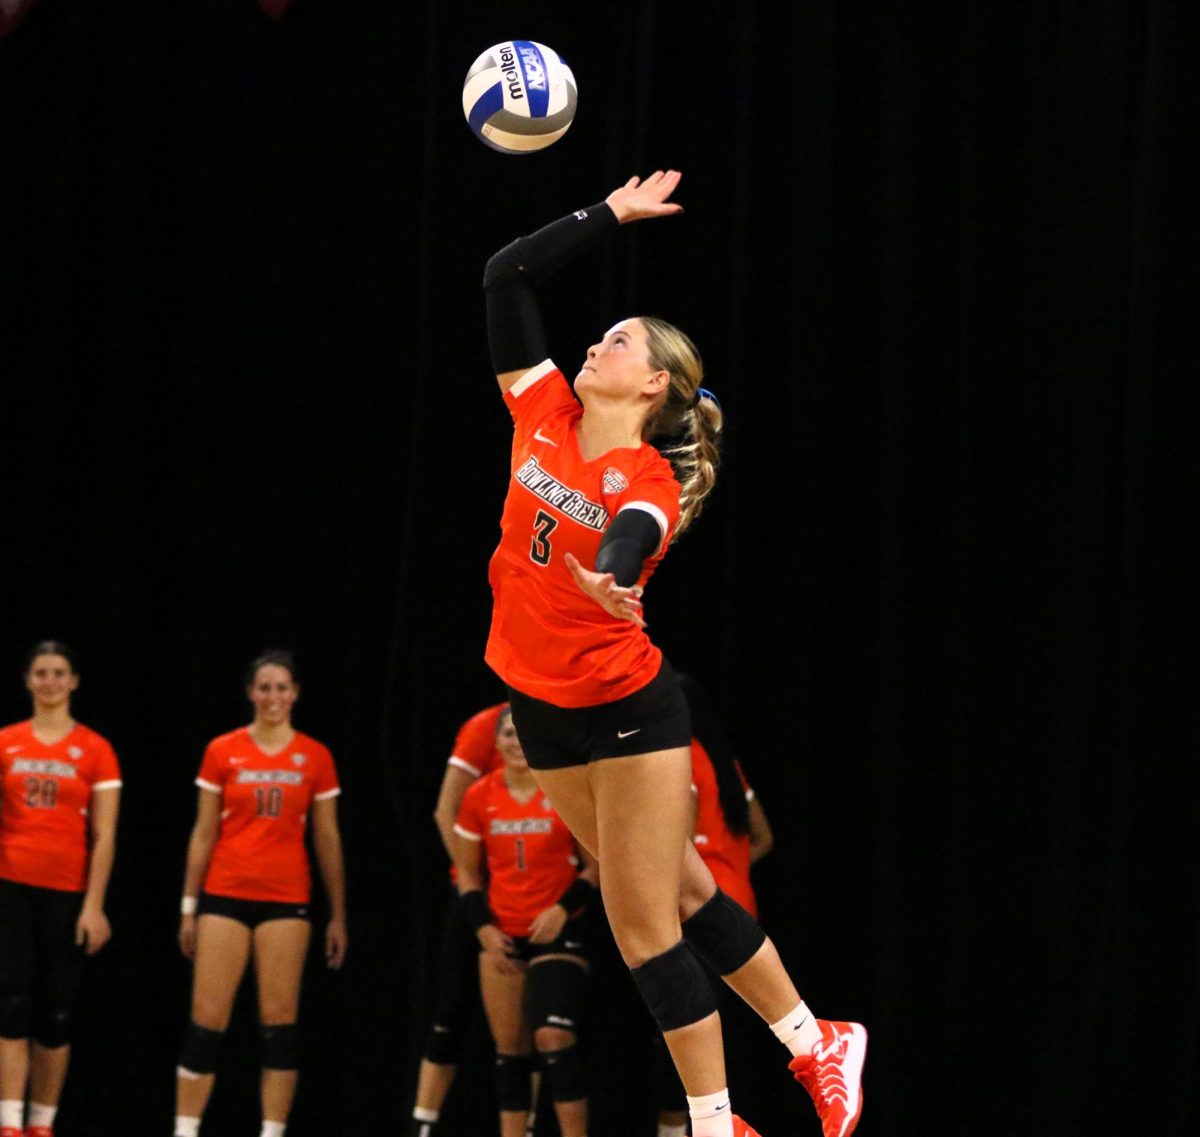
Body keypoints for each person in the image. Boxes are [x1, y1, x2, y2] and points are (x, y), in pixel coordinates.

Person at [481, 170, 867, 1137]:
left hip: (624, 704)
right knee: (686, 891)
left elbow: (635, 530)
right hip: (537, 700)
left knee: (641, 921)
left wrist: (616, 571)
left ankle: (713, 1120)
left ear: (653, 382)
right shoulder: (541, 413)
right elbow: (504, 277)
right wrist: (607, 215)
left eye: (616, 341)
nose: (592, 343)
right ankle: (818, 1040)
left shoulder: (645, 471)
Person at [173, 651, 347, 1137]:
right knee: (206, 1022)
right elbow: (203, 833)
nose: (273, 697)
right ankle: (185, 1129)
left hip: (286, 898)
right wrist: (189, 908)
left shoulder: (315, 756)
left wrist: (338, 915)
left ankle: (272, 1131)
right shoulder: (222, 750)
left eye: (282, 688)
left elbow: (327, 839)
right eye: (264, 687)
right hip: (225, 892)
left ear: (295, 694)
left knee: (279, 1026)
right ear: (250, 693)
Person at [452, 709, 598, 1137]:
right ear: (496, 742)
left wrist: (560, 910)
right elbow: (467, 875)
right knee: (509, 1052)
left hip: (558, 930)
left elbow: (596, 868)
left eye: (524, 733)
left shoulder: (561, 788)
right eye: (510, 734)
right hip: (503, 933)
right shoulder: (479, 795)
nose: (518, 742)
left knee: (553, 1039)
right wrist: (485, 931)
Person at [0, 641, 121, 1137]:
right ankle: (9, 1124)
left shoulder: (95, 749)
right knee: (10, 1008)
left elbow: (105, 834)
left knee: (55, 1014)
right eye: (40, 672)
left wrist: (94, 906)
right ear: (28, 681)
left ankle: (41, 1124)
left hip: (67, 894)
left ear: (73, 682)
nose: (49, 681)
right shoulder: (6, 741)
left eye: (59, 673)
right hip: (10, 888)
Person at [657, 674, 776, 1137]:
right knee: (715, 1033)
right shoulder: (727, 762)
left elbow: (677, 844)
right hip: (738, 912)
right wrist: (729, 865)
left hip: (694, 910)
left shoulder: (675, 756)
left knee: (682, 1028)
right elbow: (763, 837)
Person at [409, 700, 508, 1137]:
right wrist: (474, 884)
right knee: (449, 1014)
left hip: (541, 894)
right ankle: (423, 1124)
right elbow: (443, 811)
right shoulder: (484, 727)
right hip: (479, 891)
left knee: (535, 1030)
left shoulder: (566, 713)